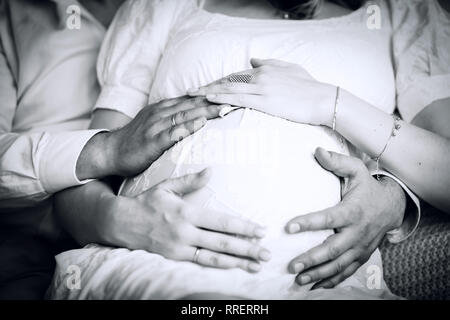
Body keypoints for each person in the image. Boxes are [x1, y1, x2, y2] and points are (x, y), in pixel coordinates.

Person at [49, 0, 420, 299]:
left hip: (321, 285)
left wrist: (392, 198)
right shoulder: (159, 7)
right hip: (150, 267)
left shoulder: (403, 12)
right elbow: (81, 174)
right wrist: (121, 220)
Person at [0, 0, 266, 299]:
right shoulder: (11, 19)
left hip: (149, 244)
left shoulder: (182, 13)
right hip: (28, 254)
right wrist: (107, 152)